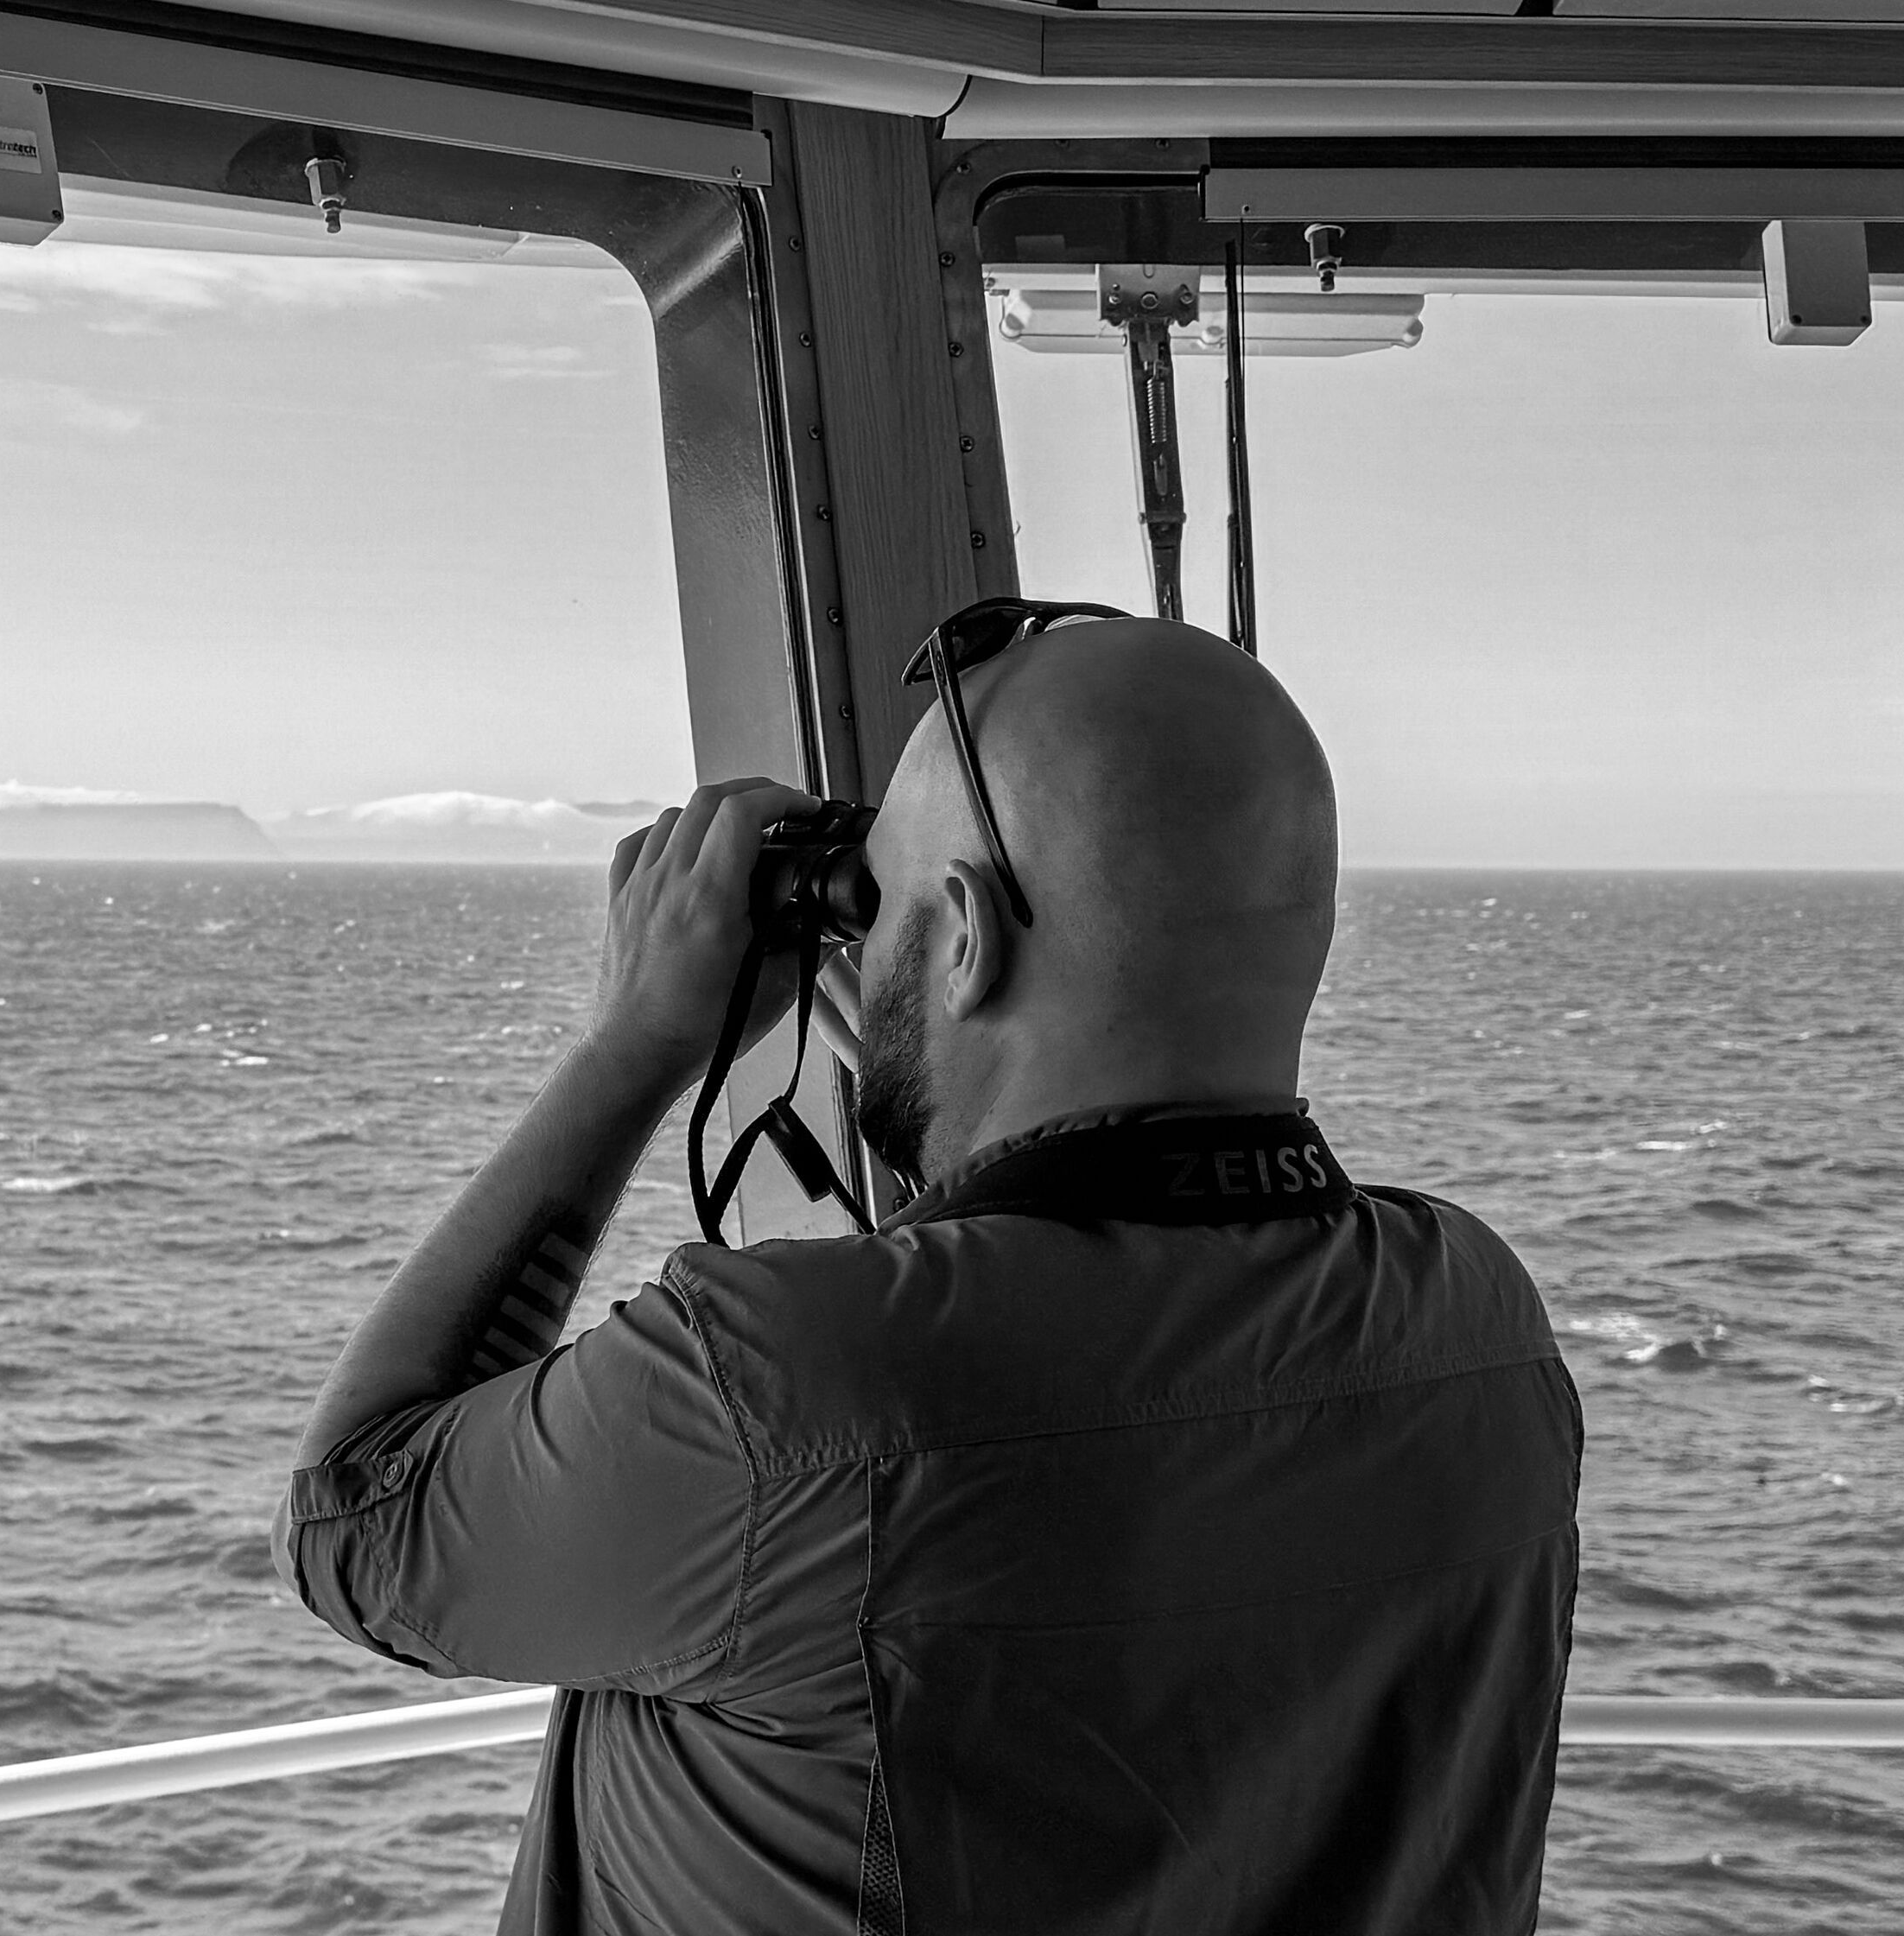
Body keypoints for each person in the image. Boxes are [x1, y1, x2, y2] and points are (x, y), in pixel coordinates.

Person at [275, 604, 1583, 1936]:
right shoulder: (1481, 1328)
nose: (862, 940)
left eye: (884, 903)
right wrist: (954, 1073)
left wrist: (635, 1041)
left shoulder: (783, 1394)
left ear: (963, 933)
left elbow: (350, 1518)